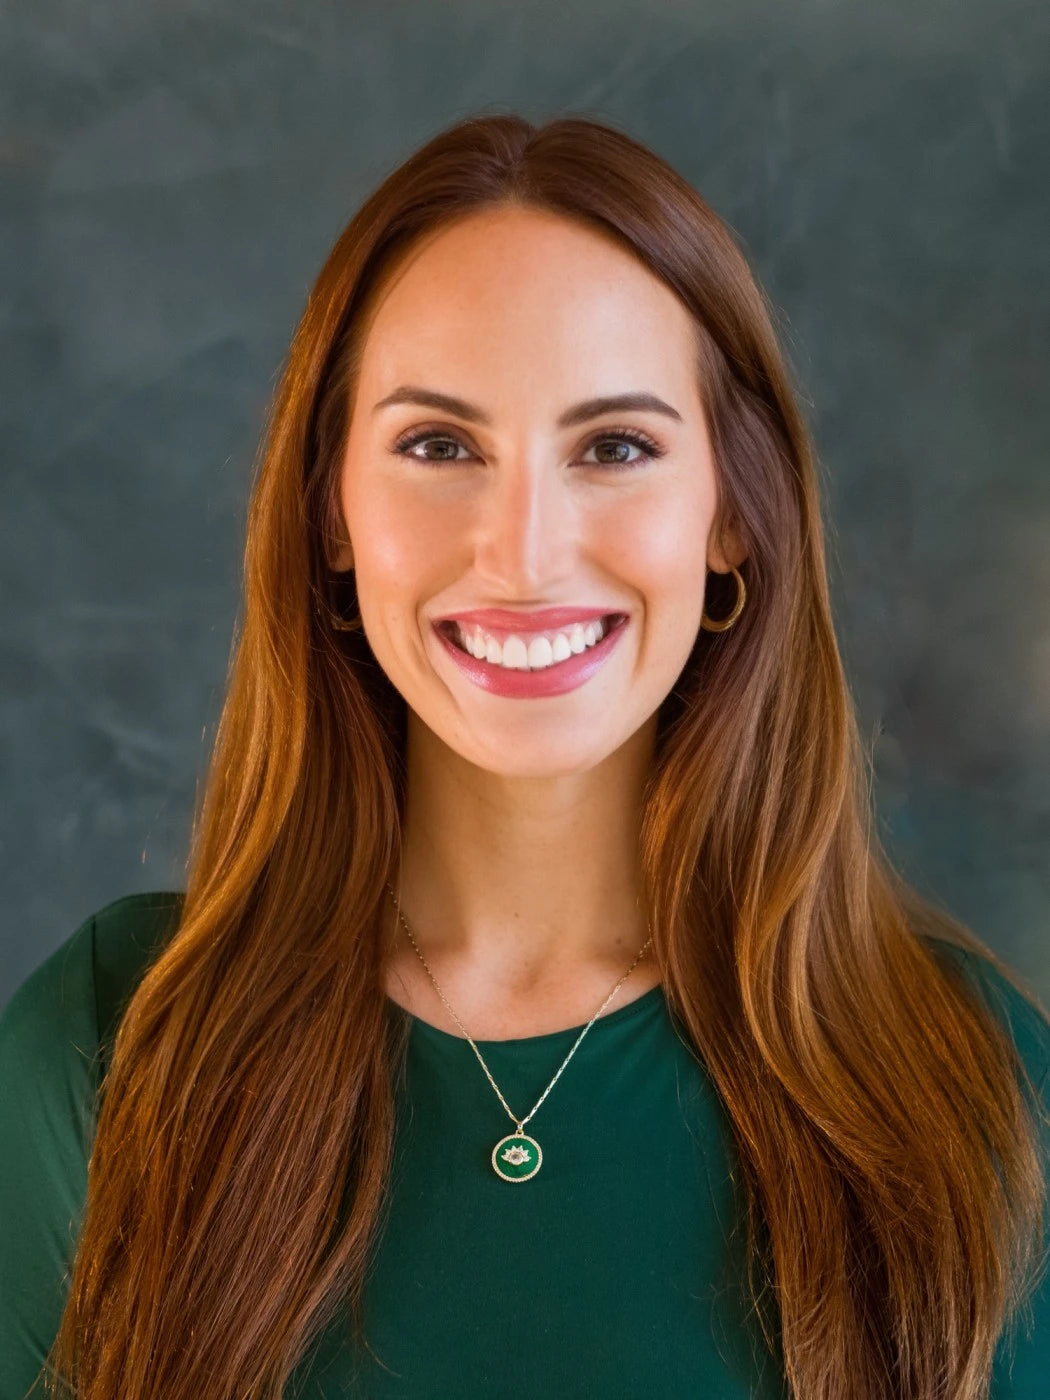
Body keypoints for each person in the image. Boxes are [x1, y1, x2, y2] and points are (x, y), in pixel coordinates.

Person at [1, 111, 1048, 1400]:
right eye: (440, 446)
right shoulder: (109, 1047)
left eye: (615, 448)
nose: (525, 550)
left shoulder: (968, 1074)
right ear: (332, 512)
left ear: (734, 517)